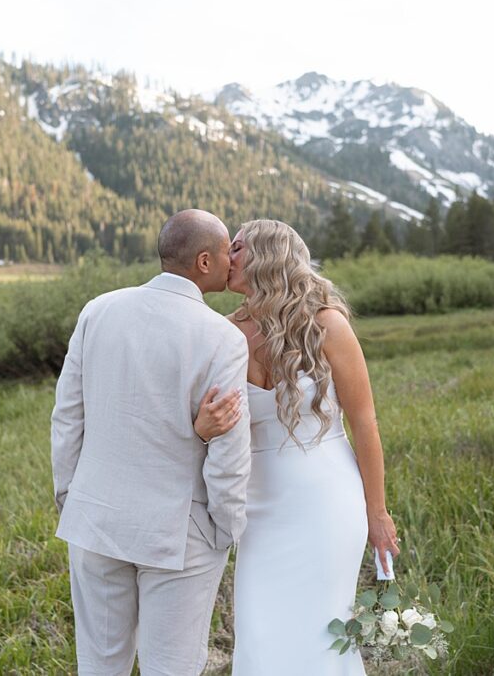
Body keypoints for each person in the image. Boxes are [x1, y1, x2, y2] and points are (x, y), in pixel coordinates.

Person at [195, 218, 400, 675]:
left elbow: (365, 422)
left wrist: (378, 512)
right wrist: (203, 427)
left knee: (322, 634)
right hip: (257, 510)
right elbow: (204, 422)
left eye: (238, 248)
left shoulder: (326, 324)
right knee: (258, 634)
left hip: (325, 502)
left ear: (267, 255)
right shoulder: (222, 333)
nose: (227, 256)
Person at [51, 209, 252, 676]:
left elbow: (67, 417)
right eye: (227, 253)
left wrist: (70, 496)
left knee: (99, 667)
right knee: (173, 668)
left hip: (94, 519)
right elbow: (228, 446)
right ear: (204, 261)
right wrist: (226, 526)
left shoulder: (98, 310)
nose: (232, 262)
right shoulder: (221, 337)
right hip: (180, 532)